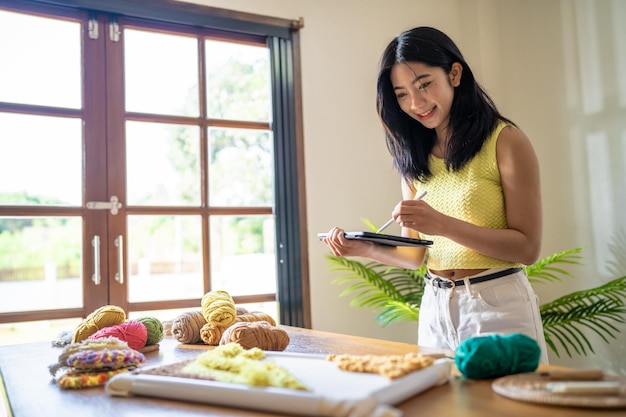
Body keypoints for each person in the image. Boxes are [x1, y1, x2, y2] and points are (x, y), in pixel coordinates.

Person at [322, 26, 548, 363]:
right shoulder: (413, 156)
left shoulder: (506, 141)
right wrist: (364, 247)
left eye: (424, 84)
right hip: (436, 306)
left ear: (454, 74)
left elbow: (527, 248)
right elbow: (415, 255)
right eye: (401, 94)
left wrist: (441, 224)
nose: (415, 103)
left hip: (498, 305)